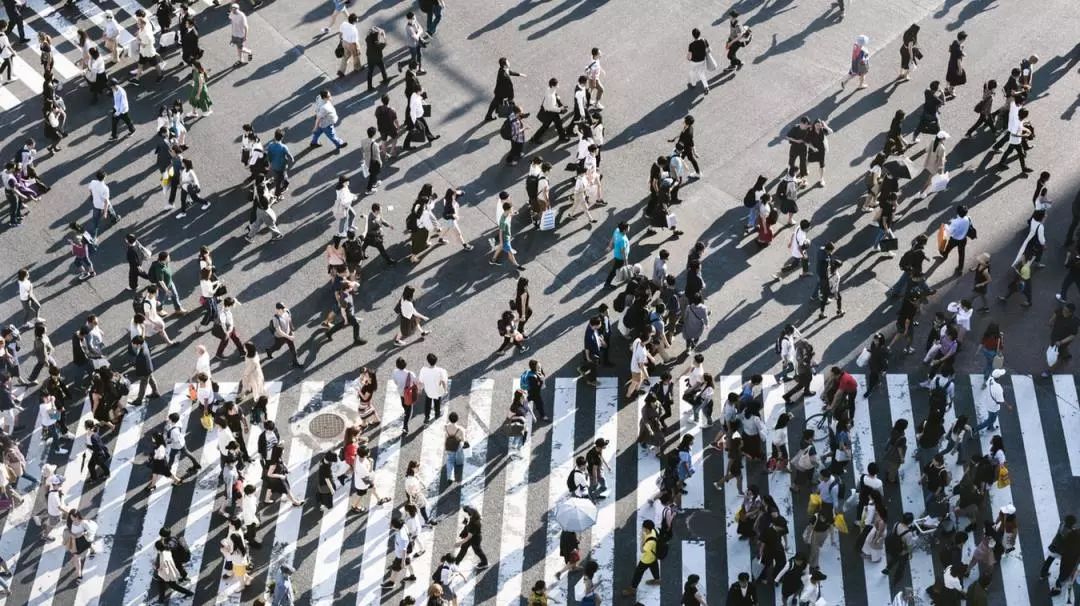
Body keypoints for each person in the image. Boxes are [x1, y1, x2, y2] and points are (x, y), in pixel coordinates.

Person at [623, 519, 661, 595]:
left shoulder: (650, 542)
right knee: (654, 566)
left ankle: (633, 589)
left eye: (643, 527)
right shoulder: (653, 531)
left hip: (646, 559)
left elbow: (642, 550)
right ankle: (657, 580)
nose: (642, 528)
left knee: (638, 573)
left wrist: (642, 540)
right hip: (653, 556)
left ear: (647, 529)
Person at [489, 197, 525, 270]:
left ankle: (493, 260)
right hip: (505, 239)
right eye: (511, 208)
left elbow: (510, 215)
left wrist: (514, 213)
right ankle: (517, 265)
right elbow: (500, 232)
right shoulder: (503, 221)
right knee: (510, 253)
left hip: (507, 237)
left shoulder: (506, 214)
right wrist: (502, 242)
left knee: (500, 248)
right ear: (508, 209)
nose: (512, 209)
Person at [265, 303, 301, 367]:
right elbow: (279, 331)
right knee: (277, 347)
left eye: (284, 308)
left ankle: (295, 363)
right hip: (280, 337)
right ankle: (269, 351)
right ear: (278, 310)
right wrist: (289, 337)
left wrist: (292, 331)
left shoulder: (286, 311)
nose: (284, 309)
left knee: (292, 348)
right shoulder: (275, 318)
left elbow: (289, 320)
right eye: (282, 309)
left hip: (288, 333)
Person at [686, 28, 710, 95]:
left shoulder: (691, 45)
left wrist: (688, 58)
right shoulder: (704, 41)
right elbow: (708, 50)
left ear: (693, 36)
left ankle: (693, 84)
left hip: (694, 62)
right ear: (700, 34)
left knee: (692, 72)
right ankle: (706, 87)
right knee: (701, 73)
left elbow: (689, 56)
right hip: (702, 60)